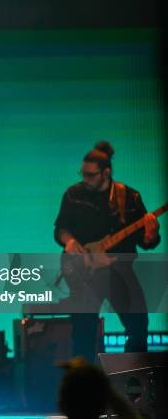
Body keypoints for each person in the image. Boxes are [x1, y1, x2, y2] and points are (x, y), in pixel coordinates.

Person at [54, 141, 160, 362]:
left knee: (139, 327)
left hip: (118, 271)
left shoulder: (130, 198)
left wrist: (151, 236)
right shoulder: (73, 195)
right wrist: (70, 241)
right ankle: (85, 387)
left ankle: (130, 384)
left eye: (90, 175)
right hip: (85, 272)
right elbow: (60, 228)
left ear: (106, 173)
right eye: (82, 173)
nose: (85, 179)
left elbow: (145, 241)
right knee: (83, 334)